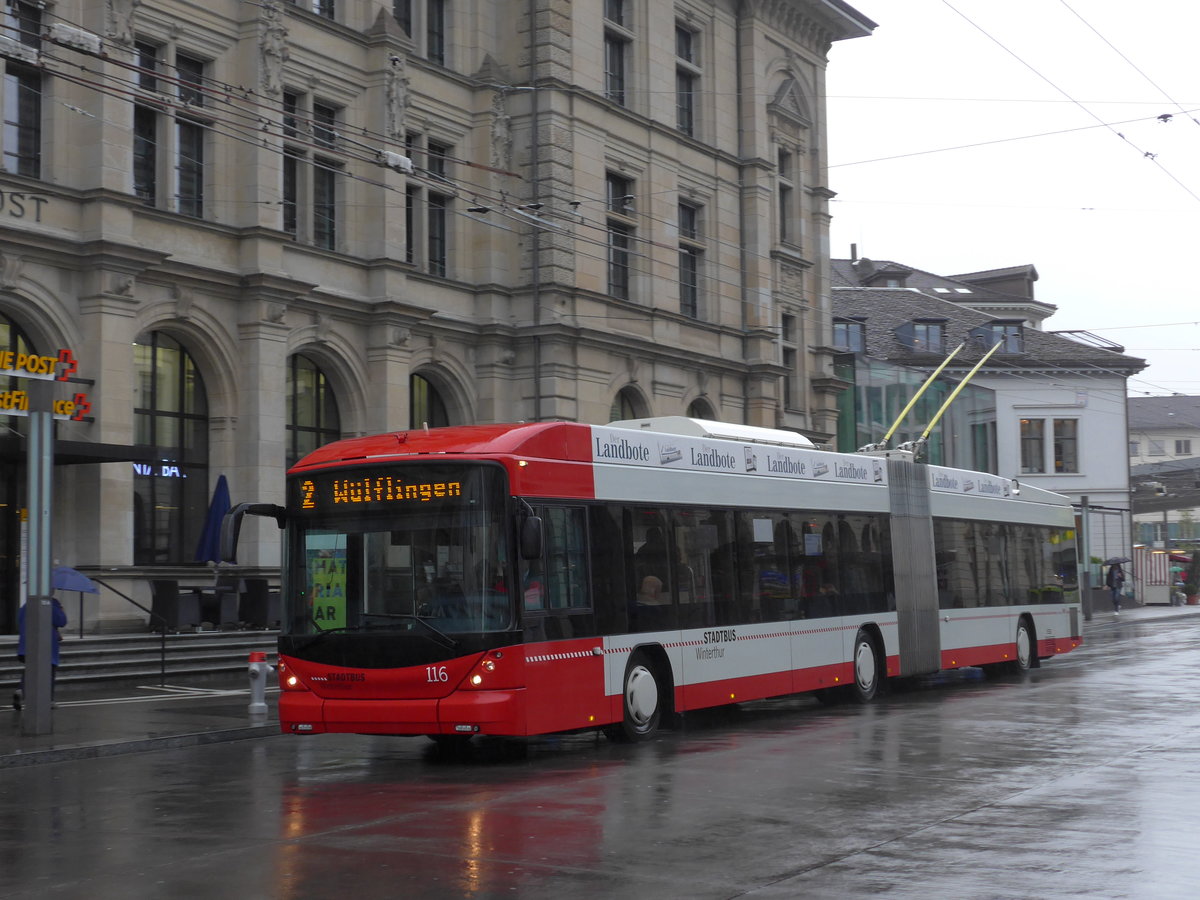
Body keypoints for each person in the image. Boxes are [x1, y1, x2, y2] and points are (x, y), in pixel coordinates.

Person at [13, 596, 68, 710]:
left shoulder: (27, 604)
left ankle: (21, 690)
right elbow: (61, 621)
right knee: (49, 672)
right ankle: (49, 700)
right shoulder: (51, 603)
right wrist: (61, 610)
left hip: (27, 643)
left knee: (30, 669)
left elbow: (19, 620)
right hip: (46, 644)